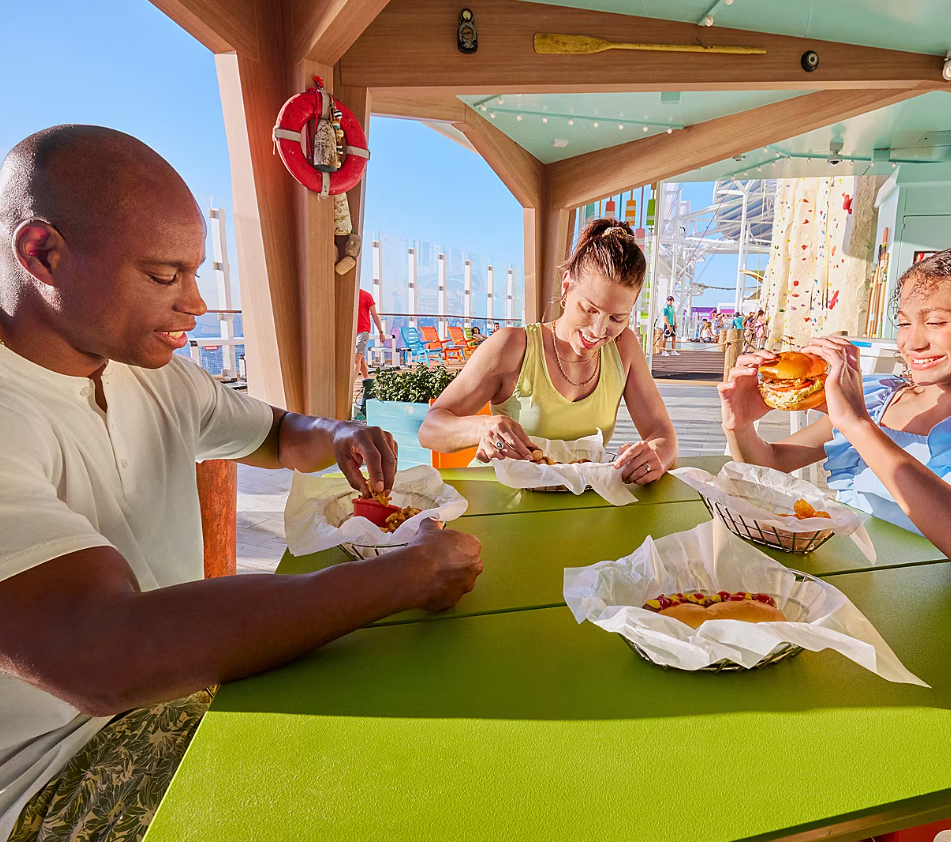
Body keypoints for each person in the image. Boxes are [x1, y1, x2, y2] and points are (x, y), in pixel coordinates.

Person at [0, 126, 484, 841]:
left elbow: (281, 434)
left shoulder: (158, 377)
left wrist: (340, 434)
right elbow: (100, 655)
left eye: (195, 273)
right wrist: (401, 578)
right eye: (164, 276)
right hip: (49, 774)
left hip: (182, 688)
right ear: (43, 252)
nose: (195, 304)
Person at [718, 243, 951, 587]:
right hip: (868, 581)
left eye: (935, 322)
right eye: (903, 322)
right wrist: (740, 423)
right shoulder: (883, 397)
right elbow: (767, 465)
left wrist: (858, 425)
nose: (912, 342)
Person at [419, 218, 678, 484]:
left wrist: (654, 456)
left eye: (616, 318)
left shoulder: (624, 346)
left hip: (580, 503)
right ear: (566, 286)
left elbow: (663, 435)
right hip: (496, 499)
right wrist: (482, 428)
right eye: (589, 309)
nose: (598, 330)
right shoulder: (511, 346)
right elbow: (430, 429)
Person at [354, 288, 384, 382]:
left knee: (357, 357)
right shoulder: (347, 295)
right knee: (361, 358)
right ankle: (366, 382)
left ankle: (350, 385)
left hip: (363, 331)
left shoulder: (367, 296)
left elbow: (374, 315)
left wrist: (381, 332)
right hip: (350, 332)